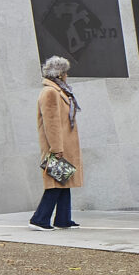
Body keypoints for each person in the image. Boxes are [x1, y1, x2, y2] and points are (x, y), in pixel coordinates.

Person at [30, 56, 82, 229]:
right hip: (57, 146)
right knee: (55, 184)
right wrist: (56, 148)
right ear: (59, 74)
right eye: (65, 72)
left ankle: (63, 218)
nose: (67, 75)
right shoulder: (50, 92)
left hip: (62, 144)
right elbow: (51, 122)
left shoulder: (59, 90)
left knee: (63, 180)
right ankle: (39, 219)